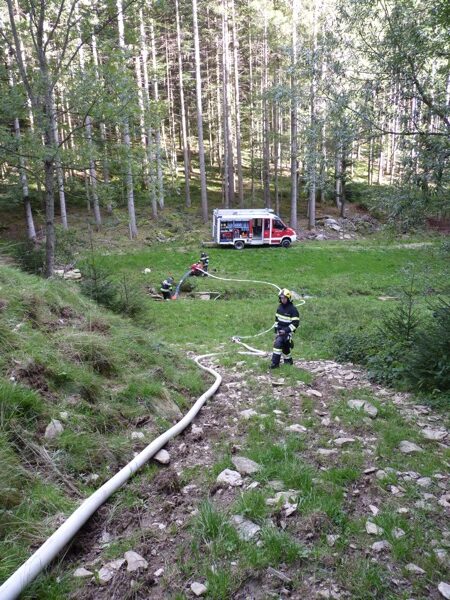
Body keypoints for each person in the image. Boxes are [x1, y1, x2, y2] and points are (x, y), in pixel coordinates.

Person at [270, 288, 300, 369]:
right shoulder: (279, 308)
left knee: (278, 344)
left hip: (287, 332)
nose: (283, 300)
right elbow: (276, 321)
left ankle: (275, 364)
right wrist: (276, 332)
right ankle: (288, 362)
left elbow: (295, 323)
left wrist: (286, 331)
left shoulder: (293, 310)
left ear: (288, 298)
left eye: (284, 298)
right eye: (281, 298)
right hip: (279, 331)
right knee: (285, 347)